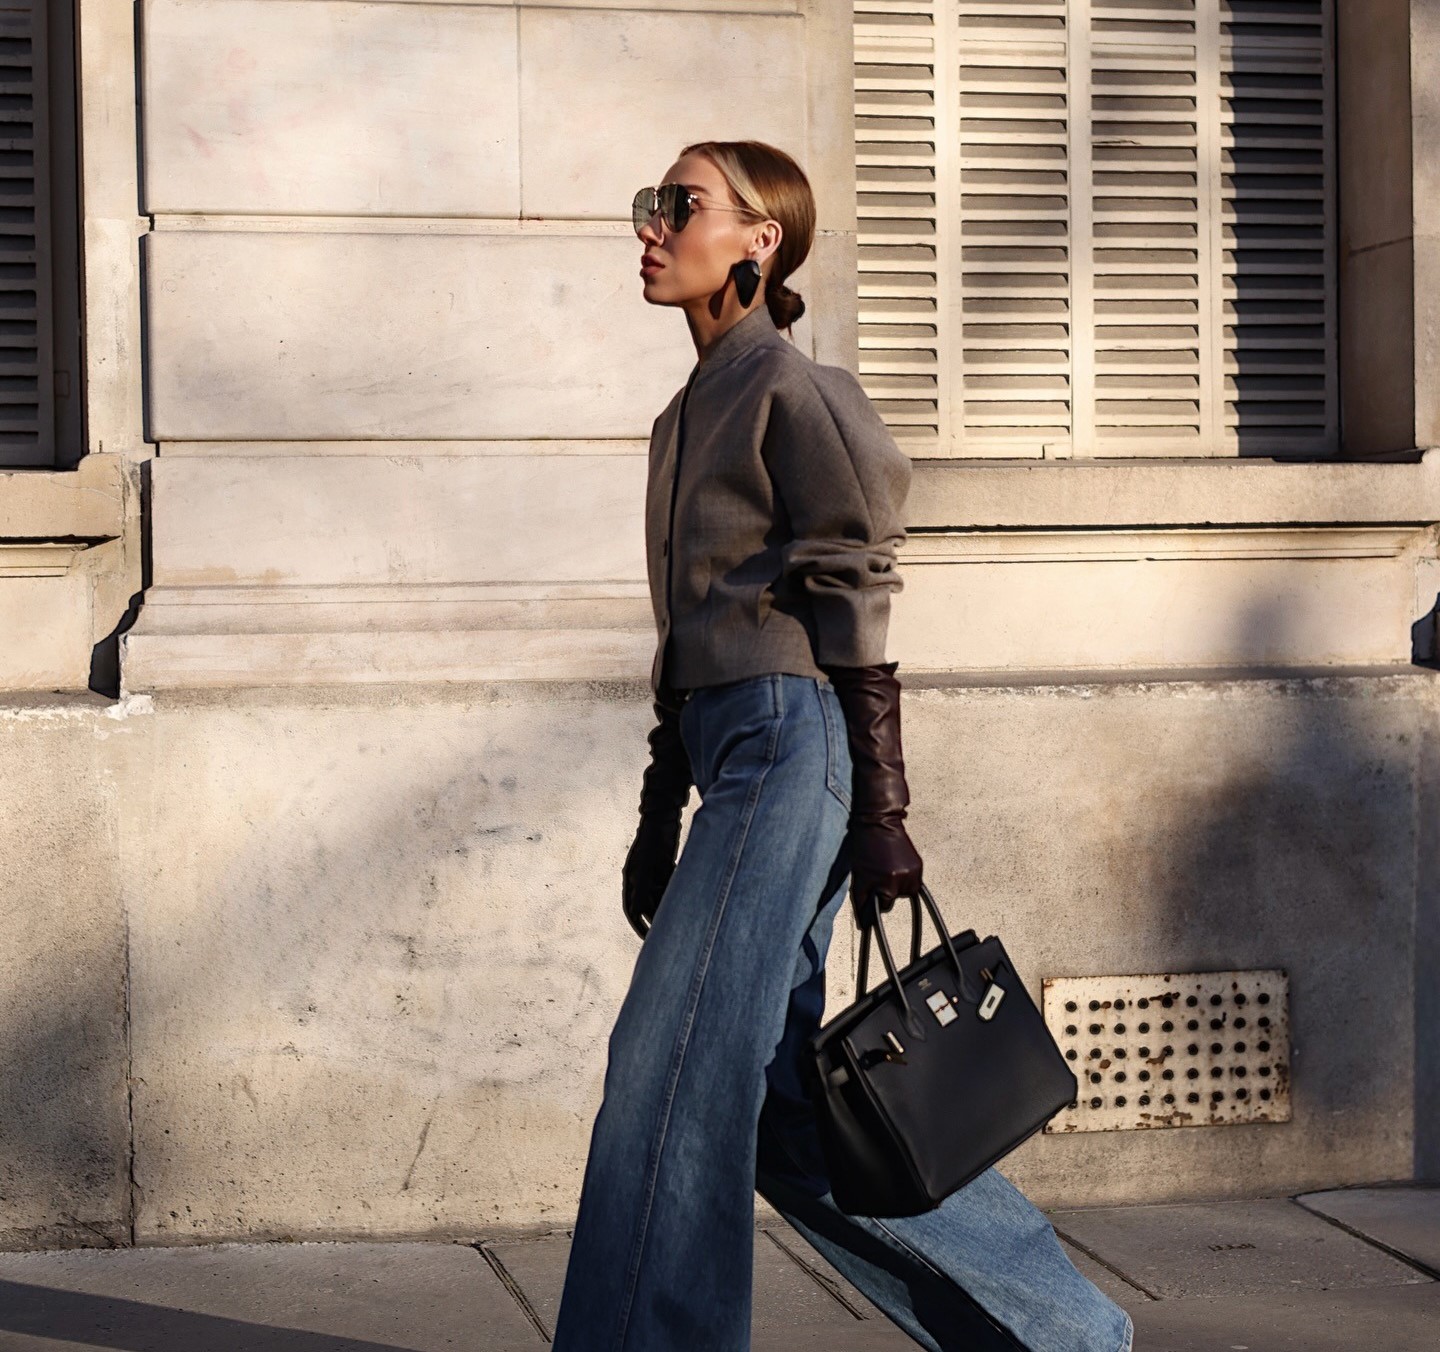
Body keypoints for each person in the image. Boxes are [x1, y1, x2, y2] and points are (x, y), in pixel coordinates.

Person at [550, 140, 1133, 1352]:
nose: (651, 225)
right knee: (778, 1108)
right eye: (647, 202)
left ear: (760, 240)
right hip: (730, 761)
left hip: (791, 744)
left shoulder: (795, 392)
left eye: (682, 204)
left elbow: (856, 597)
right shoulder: (680, 418)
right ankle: (1067, 1334)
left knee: (668, 1066)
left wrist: (882, 806)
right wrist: (661, 814)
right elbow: (689, 642)